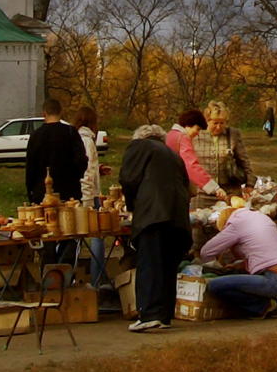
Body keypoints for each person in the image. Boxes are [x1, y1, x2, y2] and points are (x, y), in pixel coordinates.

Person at [119, 124, 191, 333]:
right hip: (177, 216)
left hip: (154, 213)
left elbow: (128, 179)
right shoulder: (172, 154)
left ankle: (149, 313)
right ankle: (164, 314)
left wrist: (132, 206)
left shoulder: (139, 147)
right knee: (168, 266)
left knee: (150, 263)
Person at [200, 207, 277, 318]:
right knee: (235, 278)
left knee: (214, 285)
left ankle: (261, 306)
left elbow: (206, 252)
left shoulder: (236, 224)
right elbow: (263, 254)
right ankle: (267, 302)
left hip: (272, 280)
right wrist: (239, 265)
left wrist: (215, 264)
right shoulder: (260, 217)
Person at [72, 105, 115, 299]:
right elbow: (85, 172)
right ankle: (97, 278)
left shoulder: (75, 138)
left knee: (81, 238)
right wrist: (89, 198)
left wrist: (99, 170)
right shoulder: (87, 141)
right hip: (88, 195)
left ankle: (92, 276)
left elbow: (86, 168)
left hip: (86, 193)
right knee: (95, 237)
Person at [24, 98, 87, 204]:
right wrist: (75, 177)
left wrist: (31, 192)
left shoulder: (36, 136)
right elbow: (81, 162)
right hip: (69, 193)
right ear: (61, 111)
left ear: (44, 113)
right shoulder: (71, 133)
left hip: (42, 195)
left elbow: (30, 168)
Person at [194, 101, 255, 204]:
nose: (218, 127)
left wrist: (250, 184)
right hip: (203, 193)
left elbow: (244, 160)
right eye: (215, 123)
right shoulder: (197, 135)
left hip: (230, 192)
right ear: (207, 121)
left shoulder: (233, 134)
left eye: (222, 123)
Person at [166, 109, 228, 202]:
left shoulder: (170, 135)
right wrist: (214, 188)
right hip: (175, 189)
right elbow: (191, 167)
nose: (198, 133)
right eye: (197, 129)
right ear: (188, 125)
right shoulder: (183, 138)